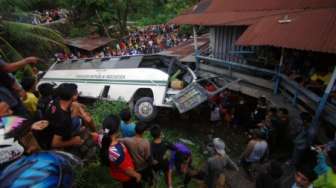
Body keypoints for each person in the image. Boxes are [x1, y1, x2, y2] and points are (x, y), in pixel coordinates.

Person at [93, 114, 141, 188]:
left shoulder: (101, 138)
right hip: (126, 177)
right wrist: (137, 175)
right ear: (117, 129)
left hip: (115, 171)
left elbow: (95, 136)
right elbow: (127, 170)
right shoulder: (116, 152)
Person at [37, 83, 83, 150]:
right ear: (74, 96)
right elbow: (55, 143)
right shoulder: (64, 119)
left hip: (47, 130)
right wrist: (73, 141)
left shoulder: (56, 100)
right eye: (76, 92)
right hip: (50, 141)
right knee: (78, 123)